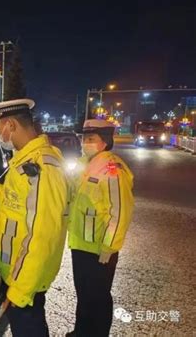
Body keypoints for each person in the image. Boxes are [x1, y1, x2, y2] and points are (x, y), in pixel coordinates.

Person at [0, 99, 69, 337]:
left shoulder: (42, 166)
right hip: (16, 270)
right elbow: (15, 198)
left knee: (29, 330)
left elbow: (42, 234)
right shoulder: (25, 159)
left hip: (26, 278)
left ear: (10, 124)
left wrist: (20, 290)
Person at [66, 119, 134, 337]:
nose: (86, 142)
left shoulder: (112, 168)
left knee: (98, 298)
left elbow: (120, 209)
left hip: (99, 249)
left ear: (104, 142)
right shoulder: (84, 164)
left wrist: (110, 246)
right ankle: (81, 332)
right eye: (84, 138)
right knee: (84, 295)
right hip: (80, 243)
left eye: (91, 139)